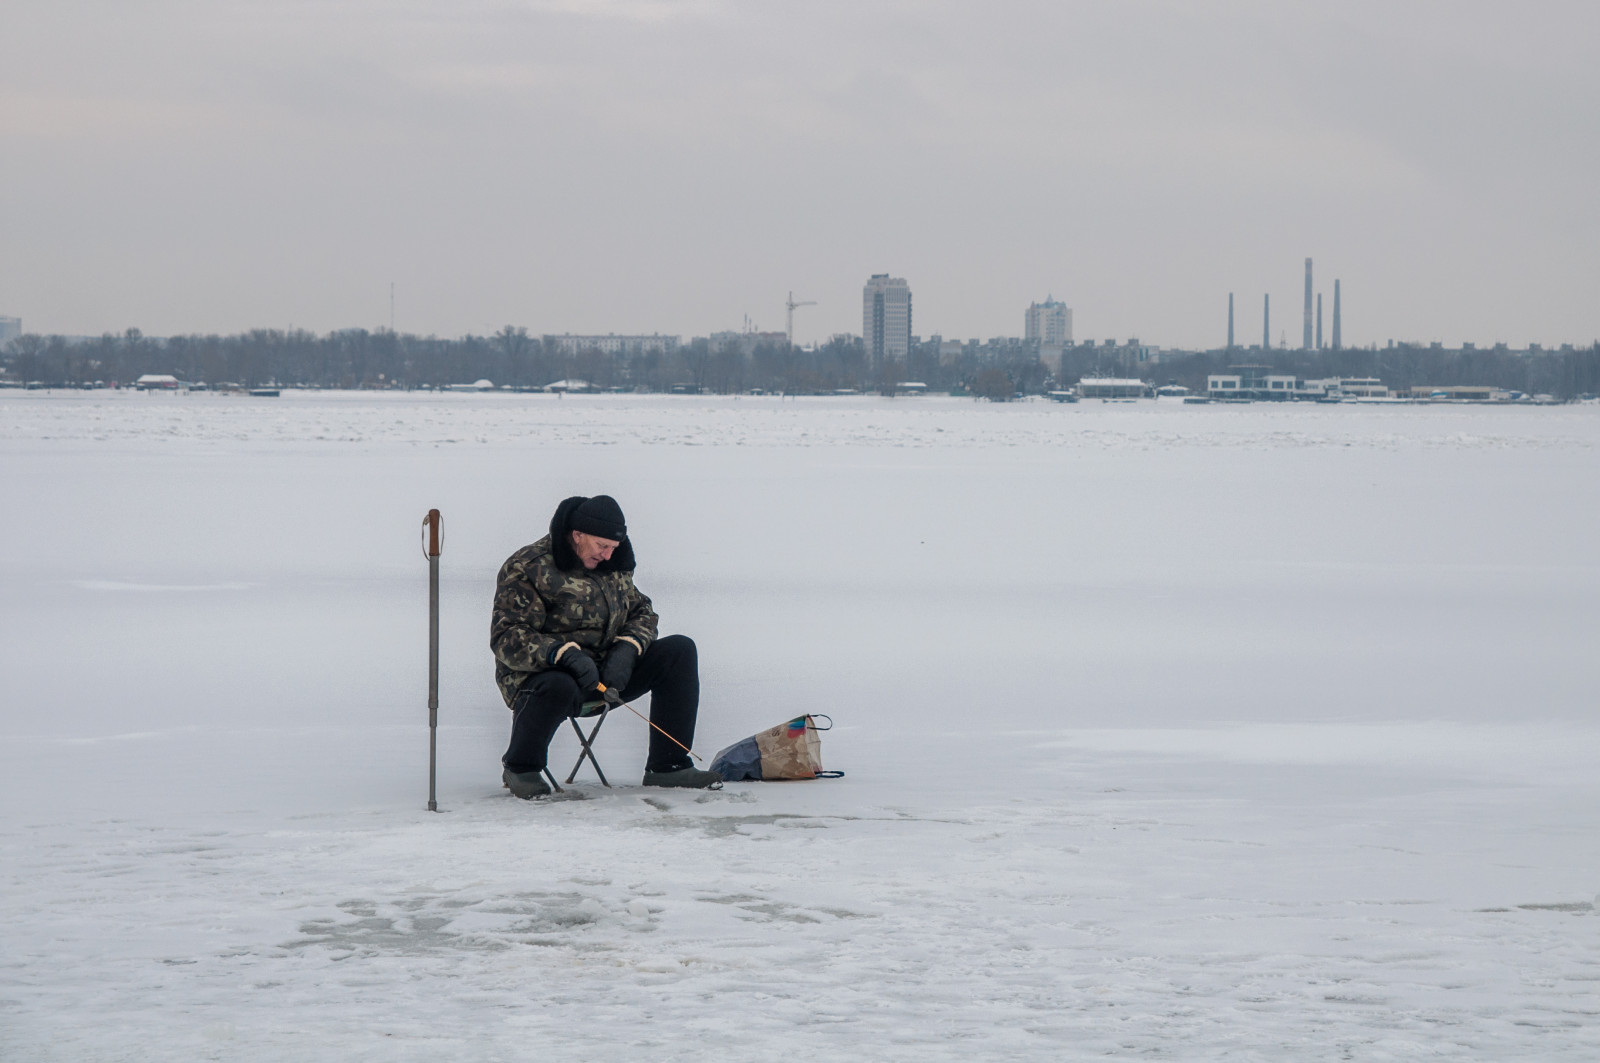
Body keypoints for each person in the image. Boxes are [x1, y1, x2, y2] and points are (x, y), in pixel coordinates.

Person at [491, 494, 721, 798]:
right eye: (602, 547)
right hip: (546, 679)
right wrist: (563, 654)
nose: (609, 556)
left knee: (679, 650)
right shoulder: (528, 567)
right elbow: (507, 637)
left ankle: (669, 767)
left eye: (614, 548)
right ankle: (521, 767)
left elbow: (643, 612)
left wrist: (627, 649)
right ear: (577, 535)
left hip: (610, 676)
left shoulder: (615, 566)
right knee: (557, 684)